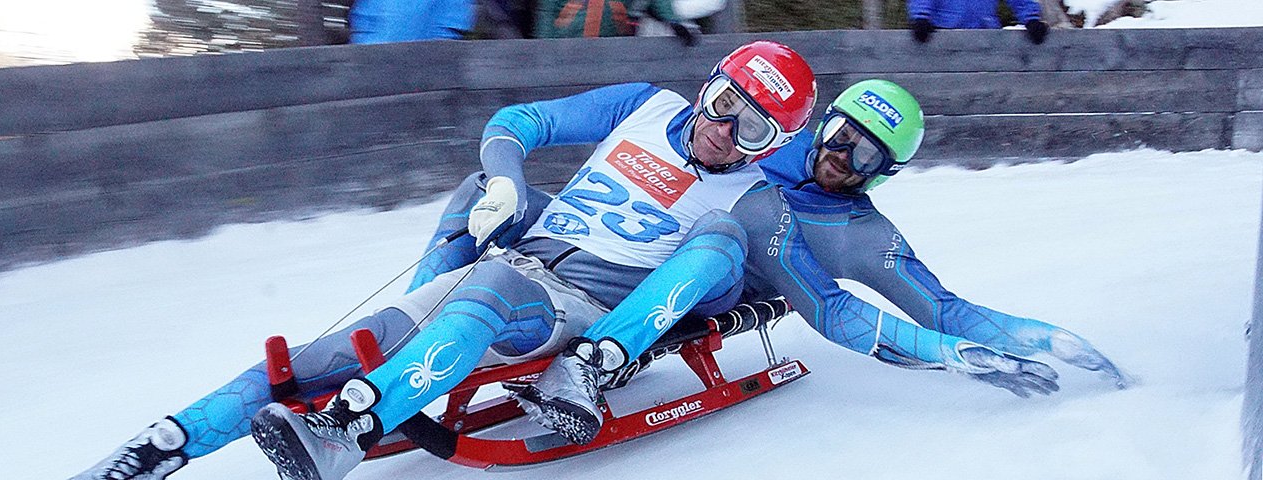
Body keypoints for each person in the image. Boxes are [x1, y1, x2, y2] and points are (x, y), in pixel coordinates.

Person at [68, 40, 818, 480]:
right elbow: (518, 122)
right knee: (310, 358)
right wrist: (504, 179)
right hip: (504, 269)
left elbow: (774, 272)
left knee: (497, 286)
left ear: (772, 146)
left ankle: (345, 436)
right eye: (725, 104)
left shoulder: (753, 197)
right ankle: (156, 447)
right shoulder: (644, 106)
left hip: (577, 308)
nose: (725, 132)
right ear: (707, 86)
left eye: (752, 129)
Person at [497, 80, 1131, 444]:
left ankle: (595, 355)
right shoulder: (761, 134)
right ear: (822, 124)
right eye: (842, 137)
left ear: (885, 176)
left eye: (866, 159)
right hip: (612, 240)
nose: (843, 159)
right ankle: (421, 316)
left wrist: (1017, 344)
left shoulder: (861, 234)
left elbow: (930, 308)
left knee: (721, 234)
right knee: (484, 192)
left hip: (709, 275)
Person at [907, 0, 1050, 44]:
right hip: (944, 34)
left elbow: (1020, 1)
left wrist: (1031, 19)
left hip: (986, 35)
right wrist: (921, 17)